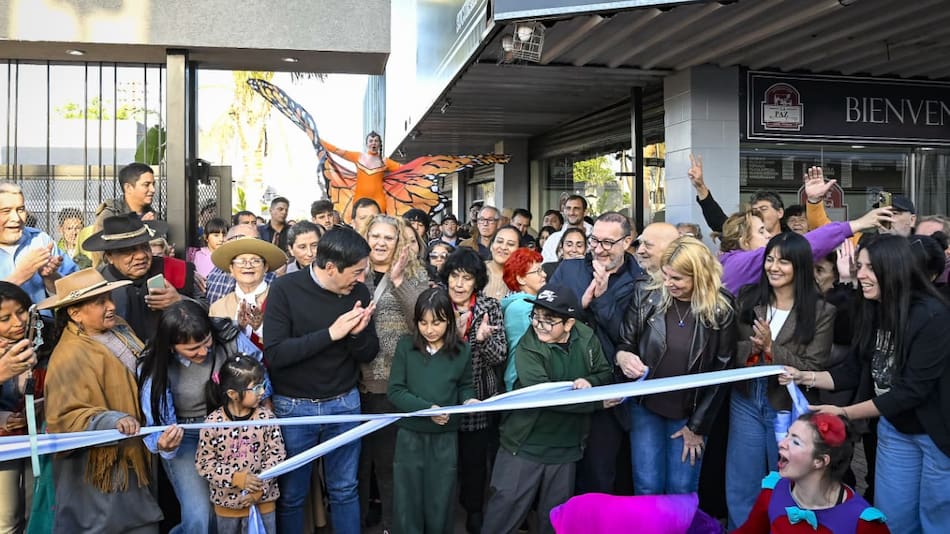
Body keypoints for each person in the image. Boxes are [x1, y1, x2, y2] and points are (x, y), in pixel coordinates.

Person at [800, 235, 950, 533]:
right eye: (860, 265)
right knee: (892, 519)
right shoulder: (873, 308)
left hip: (938, 434)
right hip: (896, 429)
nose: (861, 274)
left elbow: (911, 391)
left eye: (870, 267)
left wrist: (844, 413)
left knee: (936, 519)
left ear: (895, 269)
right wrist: (807, 376)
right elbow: (858, 367)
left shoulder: (932, 315)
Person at [41, 268, 177, 532]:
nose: (111, 306)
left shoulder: (120, 328)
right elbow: (64, 417)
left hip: (137, 450)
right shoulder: (68, 356)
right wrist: (112, 419)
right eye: (100, 302)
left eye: (110, 298)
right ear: (74, 313)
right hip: (102, 469)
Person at [263, 226, 379, 534]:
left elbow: (368, 352)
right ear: (330, 267)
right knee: (291, 495)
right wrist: (331, 334)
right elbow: (275, 354)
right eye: (356, 272)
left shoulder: (358, 293)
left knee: (344, 489)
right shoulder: (284, 289)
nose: (361, 279)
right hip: (294, 408)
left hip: (344, 403)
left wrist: (354, 335)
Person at [481, 283, 613, 534]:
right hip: (525, 444)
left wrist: (592, 382)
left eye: (549, 320)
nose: (539, 325)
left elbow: (604, 372)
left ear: (570, 323)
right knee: (503, 513)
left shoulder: (586, 337)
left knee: (554, 520)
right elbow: (546, 396)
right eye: (536, 318)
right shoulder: (528, 347)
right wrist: (596, 401)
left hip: (566, 448)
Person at [726, 232, 837, 529]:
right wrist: (756, 347)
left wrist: (773, 349)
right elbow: (728, 350)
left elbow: (813, 366)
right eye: (770, 259)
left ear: (799, 266)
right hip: (747, 398)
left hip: (786, 404)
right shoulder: (749, 297)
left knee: (784, 479)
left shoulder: (822, 312)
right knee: (742, 481)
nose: (773, 267)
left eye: (783, 261)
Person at [616, 237, 737, 495]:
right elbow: (625, 343)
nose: (668, 283)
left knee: (682, 488)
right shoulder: (647, 294)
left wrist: (698, 426)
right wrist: (623, 357)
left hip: (690, 413)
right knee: (647, 484)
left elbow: (722, 371)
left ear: (700, 276)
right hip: (645, 407)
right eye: (666, 274)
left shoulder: (721, 308)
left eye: (678, 279)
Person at [139, 299, 268, 534]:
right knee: (200, 513)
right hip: (184, 436)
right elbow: (154, 425)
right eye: (192, 349)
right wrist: (163, 443)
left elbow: (259, 373)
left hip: (230, 428)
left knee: (237, 501)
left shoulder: (228, 336)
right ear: (171, 346)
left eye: (207, 342)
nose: (204, 352)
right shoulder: (153, 364)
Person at [549, 211, 642, 495]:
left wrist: (600, 302)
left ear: (627, 242)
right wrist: (582, 303)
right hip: (566, 381)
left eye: (607, 243)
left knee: (600, 473)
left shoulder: (641, 281)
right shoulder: (570, 269)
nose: (599, 249)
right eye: (594, 241)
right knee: (562, 475)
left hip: (607, 391)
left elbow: (628, 337)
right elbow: (546, 318)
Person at [358, 214, 429, 531]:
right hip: (351, 385)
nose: (380, 242)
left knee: (388, 466)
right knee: (356, 470)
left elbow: (424, 324)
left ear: (399, 241)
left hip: (391, 386)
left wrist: (398, 281)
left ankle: (392, 525)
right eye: (375, 235)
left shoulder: (416, 277)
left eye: (388, 237)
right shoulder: (355, 272)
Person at [387, 288, 477, 534]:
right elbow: (395, 391)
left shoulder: (462, 350)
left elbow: (465, 385)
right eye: (423, 323)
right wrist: (426, 409)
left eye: (437, 322)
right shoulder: (406, 347)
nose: (430, 329)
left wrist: (468, 401)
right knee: (408, 498)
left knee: (441, 497)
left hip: (445, 436)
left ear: (449, 321)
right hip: (410, 435)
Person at [438, 248, 507, 533]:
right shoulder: (436, 304)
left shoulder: (489, 307)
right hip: (441, 399)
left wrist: (481, 340)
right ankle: (440, 512)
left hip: (477, 398)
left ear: (476, 281)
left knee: (474, 462)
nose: (459, 284)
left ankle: (474, 511)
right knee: (443, 463)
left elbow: (499, 355)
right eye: (454, 276)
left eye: (466, 278)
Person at [733, 413, 889, 533]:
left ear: (820, 461)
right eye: (787, 435)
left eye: (795, 441)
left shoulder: (862, 522)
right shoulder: (772, 492)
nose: (782, 443)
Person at [196, 355, 286, 534]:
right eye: (257, 388)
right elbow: (204, 463)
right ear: (232, 394)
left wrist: (260, 489)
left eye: (264, 385)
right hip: (227, 509)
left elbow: (277, 456)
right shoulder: (213, 423)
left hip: (263, 504)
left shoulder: (266, 418)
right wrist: (236, 478)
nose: (262, 392)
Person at [717, 207, 891, 295]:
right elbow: (804, 246)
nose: (769, 236)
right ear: (744, 242)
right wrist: (858, 224)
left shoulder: (729, 262)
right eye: (761, 231)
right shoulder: (740, 264)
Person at [83, 215, 200, 343]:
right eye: (129, 251)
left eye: (145, 247)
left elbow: (208, 312)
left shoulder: (175, 269)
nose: (141, 255)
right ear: (110, 256)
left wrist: (179, 301)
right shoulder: (95, 283)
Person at [0, 282, 44, 533]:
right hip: (4, 447)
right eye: (4, 318)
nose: (17, 322)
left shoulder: (41, 339)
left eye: (21, 311)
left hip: (35, 440)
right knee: (6, 519)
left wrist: (40, 407)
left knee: (35, 511)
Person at [0, 182, 78, 305]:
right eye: (6, 211)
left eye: (20, 210)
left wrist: (50, 277)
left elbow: (77, 291)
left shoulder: (40, 240)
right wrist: (20, 275)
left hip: (43, 323)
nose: (16, 218)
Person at [209, 236, 286, 348]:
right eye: (241, 261)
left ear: (265, 267)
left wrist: (260, 328)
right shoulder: (218, 307)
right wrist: (238, 328)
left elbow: (288, 343)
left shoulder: (281, 300)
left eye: (255, 261)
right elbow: (215, 348)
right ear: (231, 269)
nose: (248, 266)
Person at [500, 247, 547, 391]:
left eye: (542, 269)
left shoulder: (525, 302)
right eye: (537, 271)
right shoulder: (522, 307)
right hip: (522, 377)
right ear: (520, 278)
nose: (544, 274)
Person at [322, 132, 401, 214]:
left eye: (376, 141)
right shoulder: (358, 156)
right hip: (360, 199)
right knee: (360, 224)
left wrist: (416, 164)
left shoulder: (385, 161)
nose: (373, 143)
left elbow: (404, 168)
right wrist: (318, 140)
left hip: (379, 200)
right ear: (367, 144)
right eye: (371, 141)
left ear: (379, 144)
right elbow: (337, 150)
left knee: (378, 223)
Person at [205, 224, 278, 305]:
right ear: (228, 242)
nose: (249, 245)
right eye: (242, 239)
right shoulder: (214, 274)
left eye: (255, 240)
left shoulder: (271, 278)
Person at [94, 163, 157, 228]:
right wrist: (140, 229)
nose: (153, 189)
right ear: (128, 188)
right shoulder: (109, 217)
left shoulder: (154, 215)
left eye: (153, 184)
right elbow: (99, 238)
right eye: (146, 185)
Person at [541, 195, 591, 263]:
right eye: (568, 208)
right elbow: (545, 266)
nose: (571, 213)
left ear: (585, 212)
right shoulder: (553, 239)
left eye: (576, 208)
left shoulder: (594, 237)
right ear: (564, 211)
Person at [484, 225, 521, 301]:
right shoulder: (476, 270)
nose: (503, 247)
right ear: (491, 245)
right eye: (499, 241)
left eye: (510, 244)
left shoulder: (523, 277)